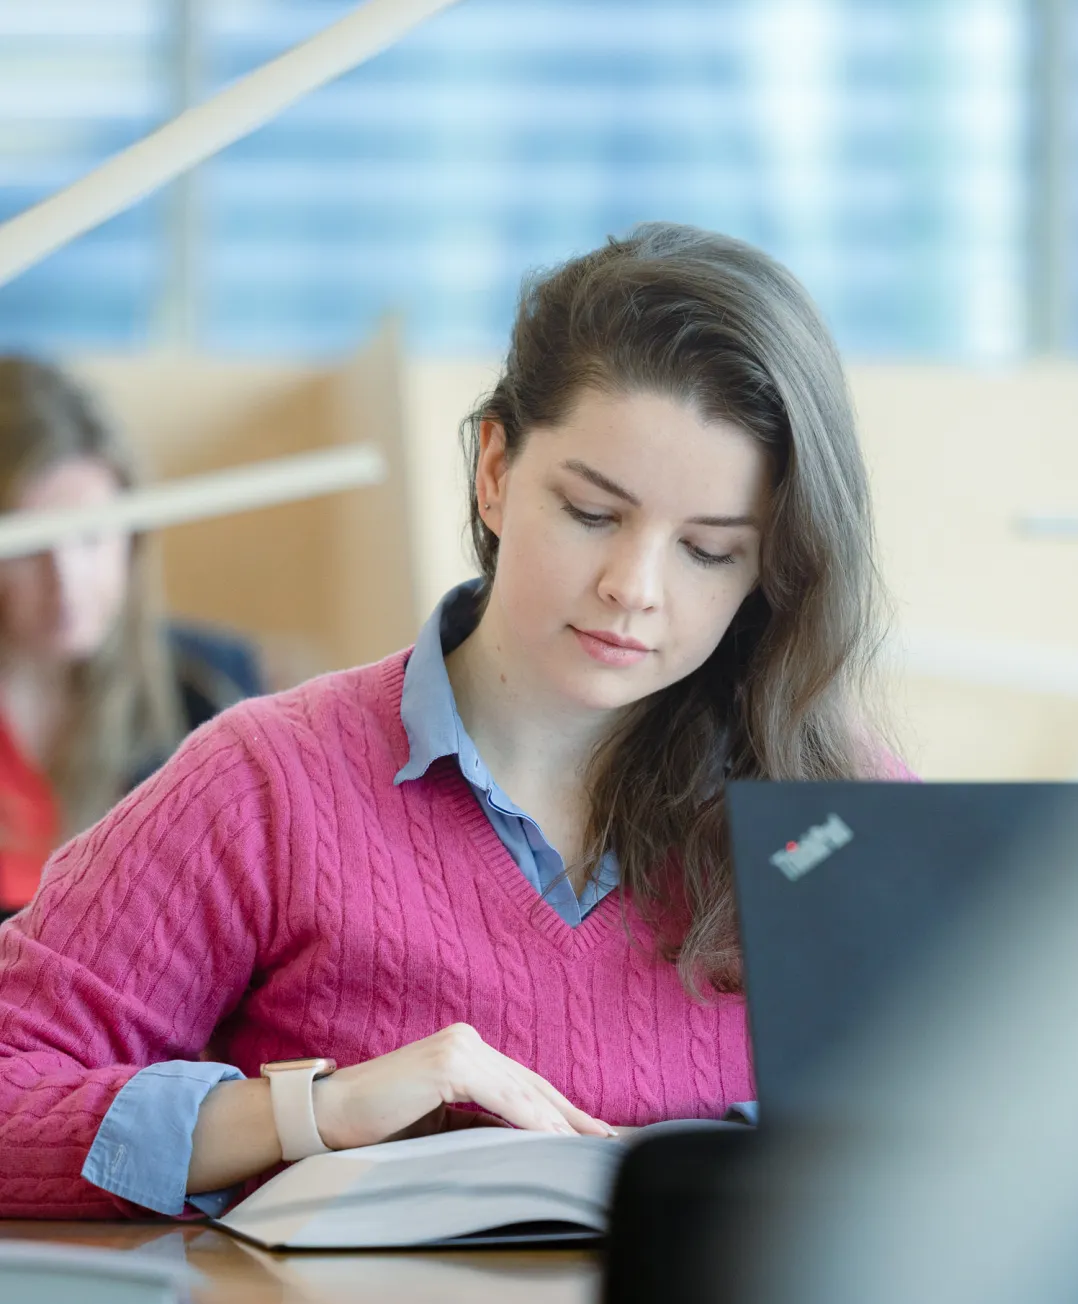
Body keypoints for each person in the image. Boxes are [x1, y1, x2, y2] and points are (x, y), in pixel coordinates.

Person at [0, 222, 896, 1219]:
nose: (632, 588)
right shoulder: (265, 785)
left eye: (711, 550)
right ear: (495, 471)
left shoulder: (836, 816)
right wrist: (316, 1113)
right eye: (593, 514)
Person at [0, 357, 262, 918]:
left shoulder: (209, 695)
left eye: (90, 538)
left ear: (133, 537)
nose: (65, 581)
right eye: (28, 544)